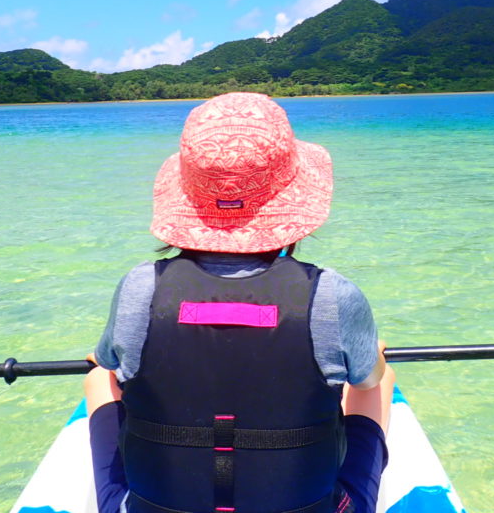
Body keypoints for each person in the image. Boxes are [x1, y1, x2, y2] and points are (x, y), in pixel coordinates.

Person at [84, 91, 395, 513]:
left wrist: (112, 358)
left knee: (100, 377)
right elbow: (367, 382)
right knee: (377, 380)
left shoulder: (140, 288)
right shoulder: (333, 296)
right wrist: (371, 357)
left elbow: (108, 362)